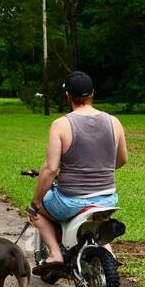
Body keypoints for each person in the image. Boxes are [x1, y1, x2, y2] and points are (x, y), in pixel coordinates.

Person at [27, 71, 127, 275]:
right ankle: (108, 253)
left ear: (68, 96)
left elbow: (50, 169)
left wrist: (35, 203)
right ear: (92, 94)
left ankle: (55, 253)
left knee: (37, 213)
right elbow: (122, 160)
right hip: (108, 200)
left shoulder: (61, 124)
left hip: (70, 201)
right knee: (99, 222)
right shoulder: (114, 122)